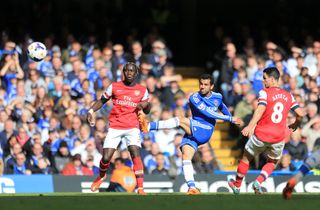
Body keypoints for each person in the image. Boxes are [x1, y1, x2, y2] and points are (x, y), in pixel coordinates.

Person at [139, 74, 241, 194]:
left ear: (212, 86)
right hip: (194, 129)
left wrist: (230, 117)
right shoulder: (194, 97)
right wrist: (230, 118)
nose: (202, 87)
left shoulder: (218, 96)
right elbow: (209, 113)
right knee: (186, 157)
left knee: (181, 120)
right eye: (201, 84)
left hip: (205, 130)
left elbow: (222, 107)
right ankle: (192, 187)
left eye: (206, 84)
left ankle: (149, 126)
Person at [227, 67, 304, 194]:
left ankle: (237, 185)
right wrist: (296, 124)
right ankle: (258, 182)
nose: (263, 81)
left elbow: (260, 109)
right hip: (279, 137)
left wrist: (250, 126)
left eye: (264, 78)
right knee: (273, 162)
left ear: (273, 79)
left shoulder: (265, 92)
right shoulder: (288, 95)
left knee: (246, 159)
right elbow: (300, 114)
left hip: (261, 134)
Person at [87, 62, 151, 195]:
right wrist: (91, 111)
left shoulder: (142, 90)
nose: (129, 73)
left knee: (135, 152)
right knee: (106, 158)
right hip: (115, 126)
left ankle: (140, 188)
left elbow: (148, 110)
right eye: (126, 70)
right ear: (123, 72)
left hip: (132, 126)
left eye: (132, 71)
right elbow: (102, 101)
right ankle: (101, 176)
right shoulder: (114, 86)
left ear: (136, 73)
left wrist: (144, 105)